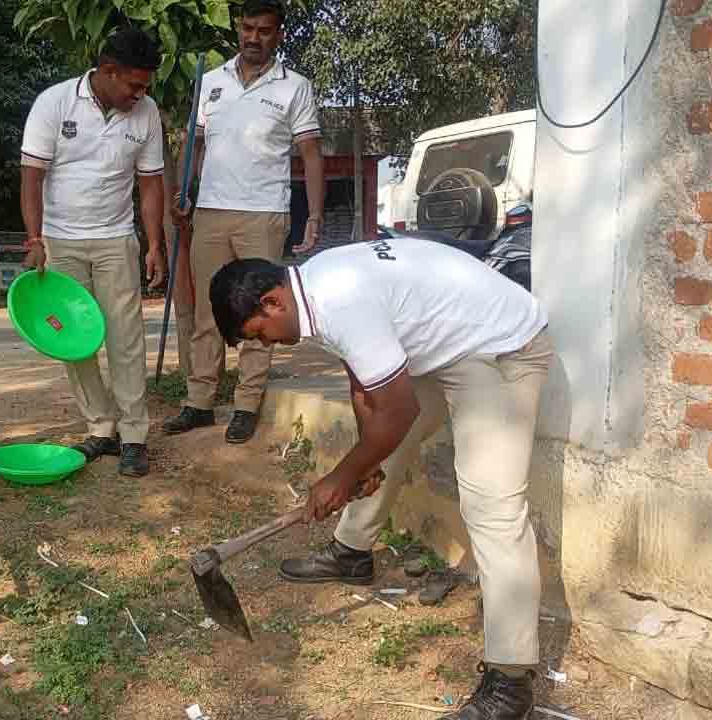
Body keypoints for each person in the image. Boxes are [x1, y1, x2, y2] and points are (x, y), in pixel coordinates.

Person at [209, 237, 552, 720]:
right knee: (379, 446)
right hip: (447, 348)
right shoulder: (312, 286)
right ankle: (351, 553)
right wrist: (360, 467)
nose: (266, 344)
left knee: (492, 506)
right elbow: (366, 386)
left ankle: (510, 681)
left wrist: (340, 476)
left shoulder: (340, 301)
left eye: (260, 333)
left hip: (501, 349)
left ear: (272, 302)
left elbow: (398, 408)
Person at [164, 0, 325, 444]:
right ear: (238, 28)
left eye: (265, 31)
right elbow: (194, 145)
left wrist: (312, 214)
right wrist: (184, 192)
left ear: (279, 35)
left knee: (260, 309)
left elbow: (311, 152)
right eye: (248, 28)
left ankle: (246, 405)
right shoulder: (210, 82)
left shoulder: (295, 87)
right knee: (206, 314)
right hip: (211, 212)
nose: (254, 38)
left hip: (264, 213)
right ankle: (198, 403)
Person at [19, 26, 167, 477]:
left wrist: (154, 243)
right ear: (107, 71)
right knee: (73, 341)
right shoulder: (54, 102)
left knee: (125, 338)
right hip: (61, 242)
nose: (141, 94)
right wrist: (35, 239)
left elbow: (150, 184)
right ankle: (101, 429)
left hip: (115, 240)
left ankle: (134, 436)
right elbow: (31, 176)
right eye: (134, 85)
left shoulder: (146, 113)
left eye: (145, 87)